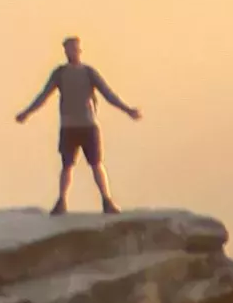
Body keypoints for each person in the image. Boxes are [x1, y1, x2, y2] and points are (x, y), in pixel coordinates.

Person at [14, 37, 139, 211]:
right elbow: (43, 96)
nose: (72, 52)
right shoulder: (60, 73)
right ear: (65, 51)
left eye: (75, 49)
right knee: (67, 166)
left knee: (96, 164)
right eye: (69, 49)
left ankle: (107, 200)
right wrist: (27, 113)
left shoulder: (88, 72)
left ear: (80, 51)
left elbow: (108, 94)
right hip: (68, 126)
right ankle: (62, 201)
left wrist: (127, 110)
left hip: (88, 125)